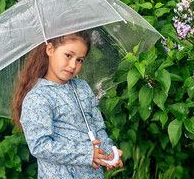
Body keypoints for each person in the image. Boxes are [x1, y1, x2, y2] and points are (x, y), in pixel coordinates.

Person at [11, 31, 123, 178]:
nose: (73, 65)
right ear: (50, 49)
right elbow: (40, 146)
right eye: (68, 55)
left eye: (80, 60)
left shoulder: (82, 87)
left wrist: (108, 153)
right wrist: (87, 153)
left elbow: (97, 127)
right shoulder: (38, 97)